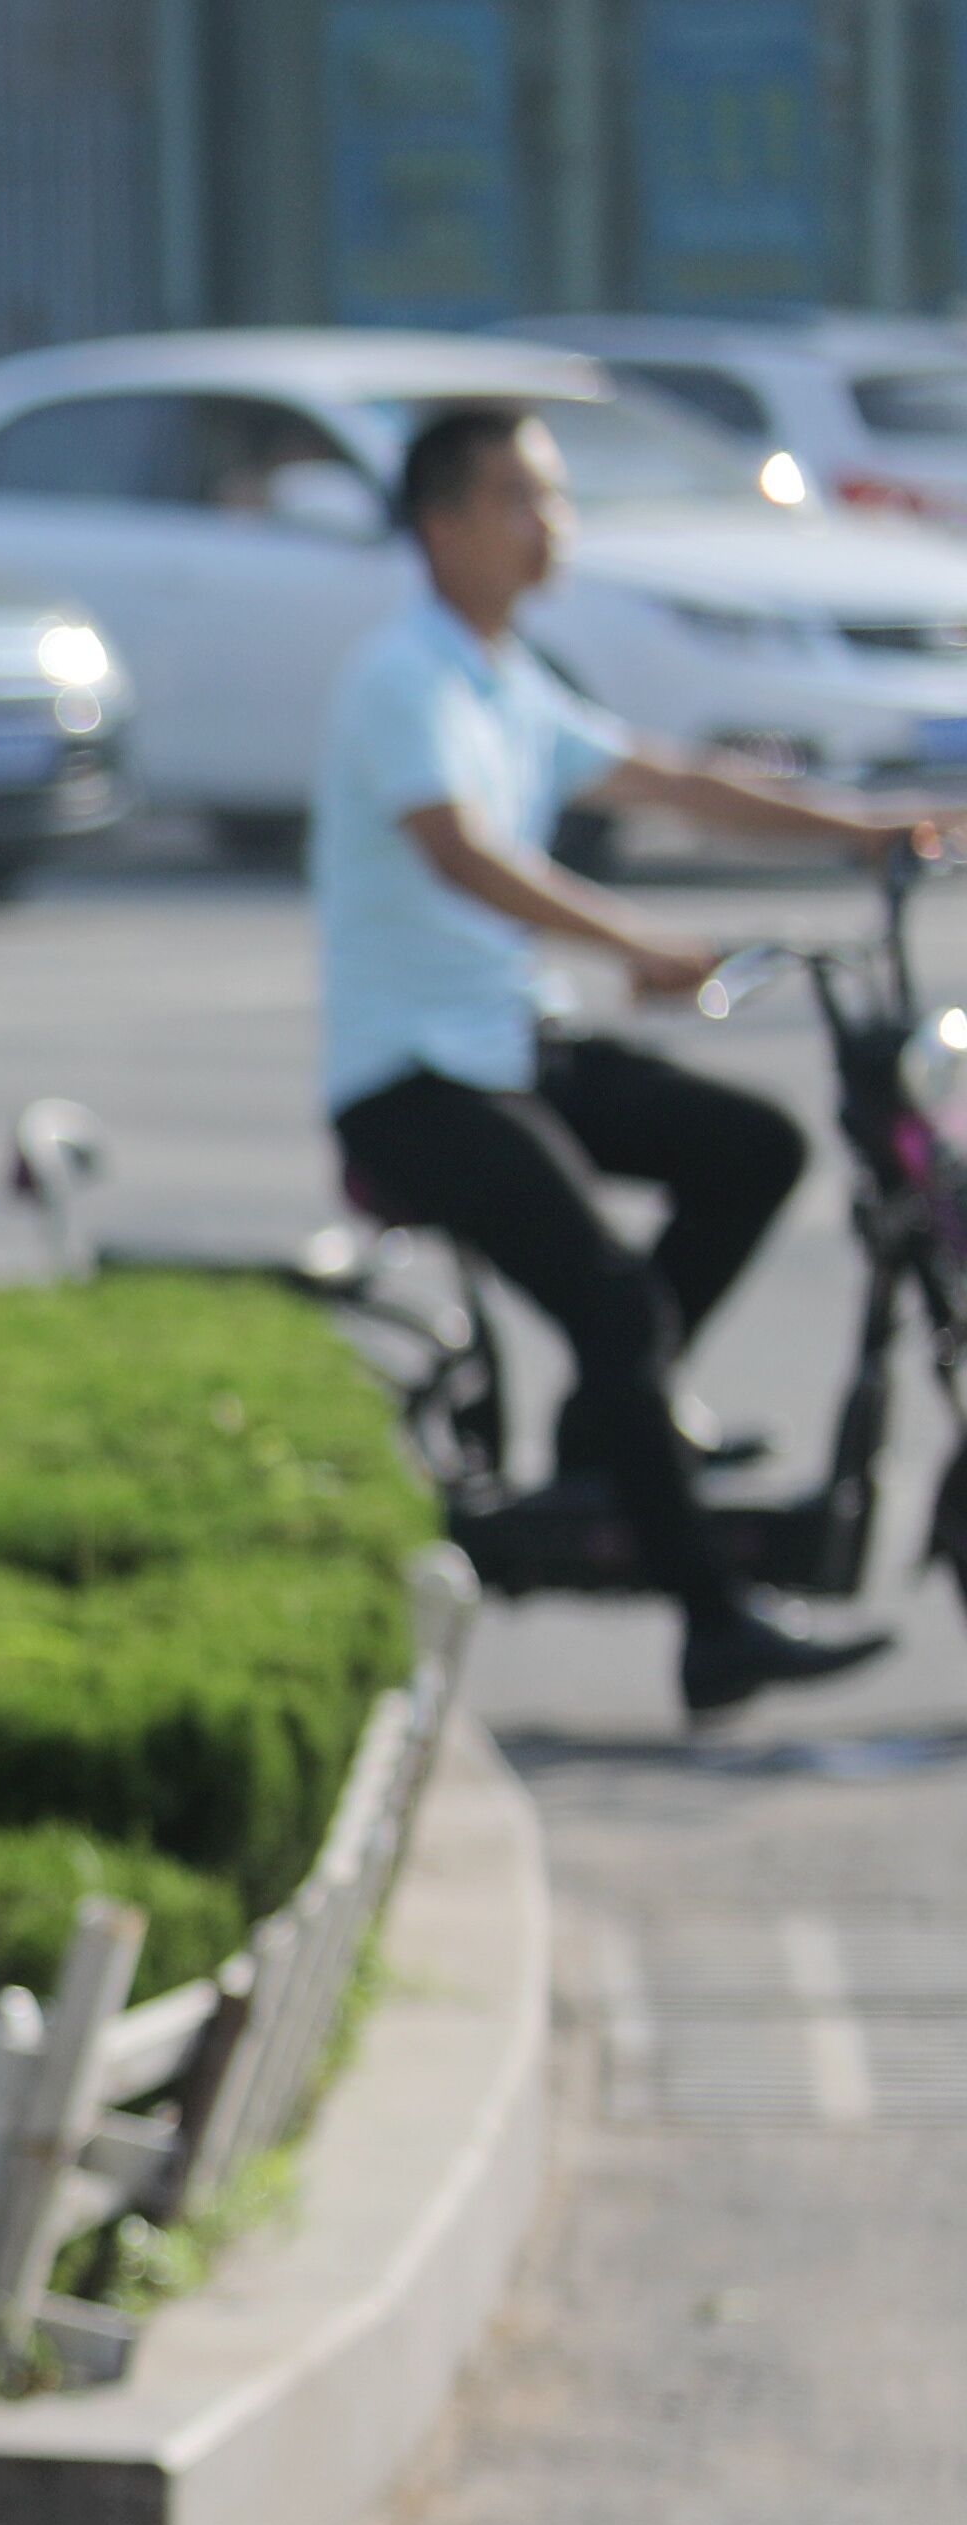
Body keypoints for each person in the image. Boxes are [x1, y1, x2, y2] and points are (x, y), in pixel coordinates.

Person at [317, 399, 914, 1719]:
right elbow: (460, 853)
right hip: (413, 1081)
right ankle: (713, 1625)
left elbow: (670, 779)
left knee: (755, 1148)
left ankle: (610, 1420)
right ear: (444, 524)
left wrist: (863, 828)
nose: (554, 525)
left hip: (509, 1050)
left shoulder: (507, 676)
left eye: (557, 498)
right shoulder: (402, 679)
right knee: (606, 1295)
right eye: (525, 498)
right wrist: (635, 940)